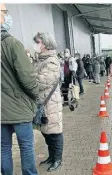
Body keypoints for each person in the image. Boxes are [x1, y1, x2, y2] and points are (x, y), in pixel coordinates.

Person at [1, 4, 39, 175]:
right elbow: (27, 78)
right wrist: (35, 95)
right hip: (19, 107)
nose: (8, 15)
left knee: (3, 149)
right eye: (5, 12)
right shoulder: (12, 44)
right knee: (26, 147)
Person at [33, 32, 63, 172]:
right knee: (46, 132)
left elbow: (41, 81)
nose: (36, 45)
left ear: (44, 44)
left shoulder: (51, 61)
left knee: (54, 133)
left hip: (50, 103)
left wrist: (29, 76)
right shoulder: (41, 59)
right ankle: (51, 157)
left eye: (37, 42)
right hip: (43, 103)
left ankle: (58, 159)